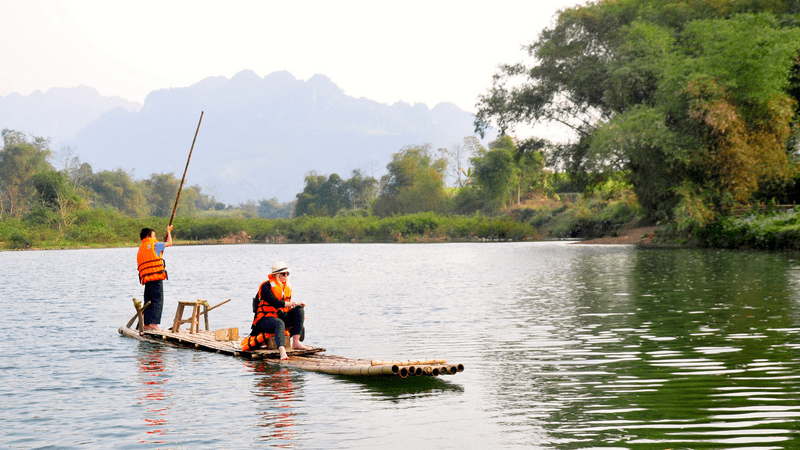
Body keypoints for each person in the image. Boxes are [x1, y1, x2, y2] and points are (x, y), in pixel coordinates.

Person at [245, 262, 307, 359]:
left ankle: (296, 342)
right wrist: (294, 303)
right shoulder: (266, 286)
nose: (286, 276)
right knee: (279, 323)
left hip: (280, 316)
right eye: (283, 274)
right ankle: (282, 352)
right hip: (265, 320)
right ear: (276, 275)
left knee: (299, 310)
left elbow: (285, 306)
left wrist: (296, 306)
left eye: (287, 274)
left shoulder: (285, 287)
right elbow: (275, 303)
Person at [137, 225, 173, 331]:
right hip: (156, 276)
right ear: (148, 236)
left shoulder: (141, 248)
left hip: (147, 278)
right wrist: (168, 231)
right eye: (154, 235)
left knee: (148, 300)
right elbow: (170, 243)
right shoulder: (155, 245)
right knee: (157, 300)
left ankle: (147, 323)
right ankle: (153, 323)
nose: (155, 237)